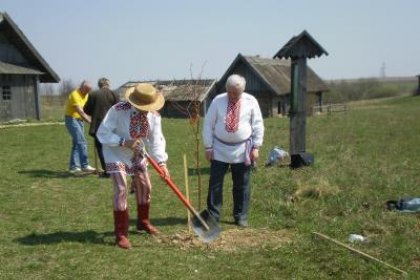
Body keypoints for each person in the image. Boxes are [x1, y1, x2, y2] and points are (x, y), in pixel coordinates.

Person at [97, 83, 169, 249]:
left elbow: (156, 140)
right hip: (115, 152)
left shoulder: (154, 116)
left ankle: (143, 222)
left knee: (145, 186)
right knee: (121, 189)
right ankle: (121, 233)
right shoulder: (117, 110)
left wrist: (162, 163)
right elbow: (103, 133)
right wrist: (124, 141)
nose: (146, 110)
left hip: (137, 152)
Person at [202, 74, 264, 227]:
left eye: (236, 93)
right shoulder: (218, 101)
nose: (232, 96)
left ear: (242, 91)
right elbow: (208, 125)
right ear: (226, 89)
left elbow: (258, 124)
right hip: (219, 148)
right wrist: (208, 147)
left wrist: (256, 146)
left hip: (242, 149)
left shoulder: (251, 101)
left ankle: (241, 215)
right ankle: (213, 215)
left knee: (242, 184)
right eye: (230, 92)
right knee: (215, 183)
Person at [83, 78, 119, 178]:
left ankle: (107, 171)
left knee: (101, 149)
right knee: (113, 147)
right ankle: (116, 169)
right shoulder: (114, 94)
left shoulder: (93, 94)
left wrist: (94, 112)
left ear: (99, 85)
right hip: (112, 126)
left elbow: (86, 110)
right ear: (108, 84)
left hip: (98, 125)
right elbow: (118, 109)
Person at [64, 80, 96, 173]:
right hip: (71, 119)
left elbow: (87, 109)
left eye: (89, 90)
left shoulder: (86, 95)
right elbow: (81, 111)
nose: (87, 92)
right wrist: (90, 121)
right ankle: (84, 165)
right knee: (81, 142)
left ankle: (73, 166)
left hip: (79, 121)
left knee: (77, 143)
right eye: (86, 90)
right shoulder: (75, 94)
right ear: (81, 87)